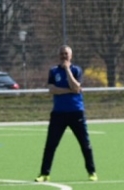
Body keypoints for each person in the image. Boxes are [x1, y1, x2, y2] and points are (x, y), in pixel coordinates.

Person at [35, 45, 97, 182]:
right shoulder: (53, 71)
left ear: (71, 56)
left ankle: (91, 172)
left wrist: (67, 70)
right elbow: (52, 89)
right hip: (58, 114)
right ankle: (44, 174)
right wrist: (69, 90)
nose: (64, 56)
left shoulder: (76, 70)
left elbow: (76, 87)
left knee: (85, 144)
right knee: (50, 145)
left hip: (76, 112)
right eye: (62, 54)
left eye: (66, 54)